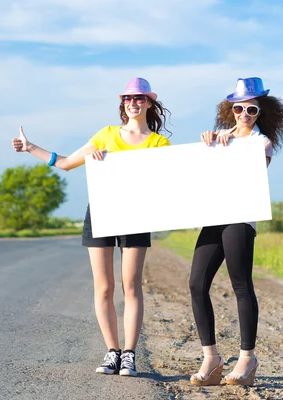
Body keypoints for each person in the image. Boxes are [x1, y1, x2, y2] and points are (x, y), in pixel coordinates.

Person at [12, 77, 172, 376]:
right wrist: (30, 147)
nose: (133, 103)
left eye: (139, 98)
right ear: (123, 103)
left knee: (131, 287)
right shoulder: (106, 134)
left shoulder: (158, 142)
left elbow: (163, 182)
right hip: (100, 213)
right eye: (128, 98)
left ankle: (130, 355)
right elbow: (67, 163)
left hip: (137, 216)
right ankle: (112, 352)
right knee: (103, 288)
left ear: (149, 103)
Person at [189, 77, 283, 386]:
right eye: (238, 108)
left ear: (261, 113)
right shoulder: (218, 138)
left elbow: (251, 174)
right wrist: (207, 145)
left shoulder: (262, 144)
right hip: (214, 216)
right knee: (196, 284)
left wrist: (228, 149)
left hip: (241, 218)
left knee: (241, 285)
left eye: (251, 109)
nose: (244, 114)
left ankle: (247, 358)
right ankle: (212, 357)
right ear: (230, 110)